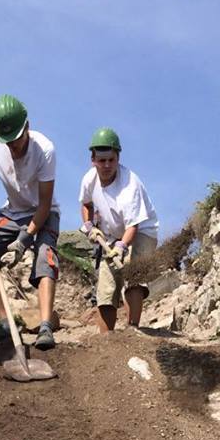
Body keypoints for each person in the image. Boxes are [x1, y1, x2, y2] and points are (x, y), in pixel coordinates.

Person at [0, 95, 60, 350]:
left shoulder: (45, 150)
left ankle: (45, 327)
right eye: (7, 141)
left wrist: (23, 241)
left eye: (16, 140)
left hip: (43, 212)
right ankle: (7, 323)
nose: (12, 147)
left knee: (45, 259)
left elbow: (44, 205)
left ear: (27, 126)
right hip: (12, 212)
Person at [79, 127, 158, 332]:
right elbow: (86, 204)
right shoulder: (89, 179)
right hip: (112, 234)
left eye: (111, 160)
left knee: (133, 275)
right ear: (93, 160)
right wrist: (89, 226)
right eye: (101, 160)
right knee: (106, 286)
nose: (106, 165)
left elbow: (133, 226)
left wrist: (122, 246)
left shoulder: (130, 185)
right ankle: (107, 339)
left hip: (142, 232)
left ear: (118, 158)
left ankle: (133, 330)